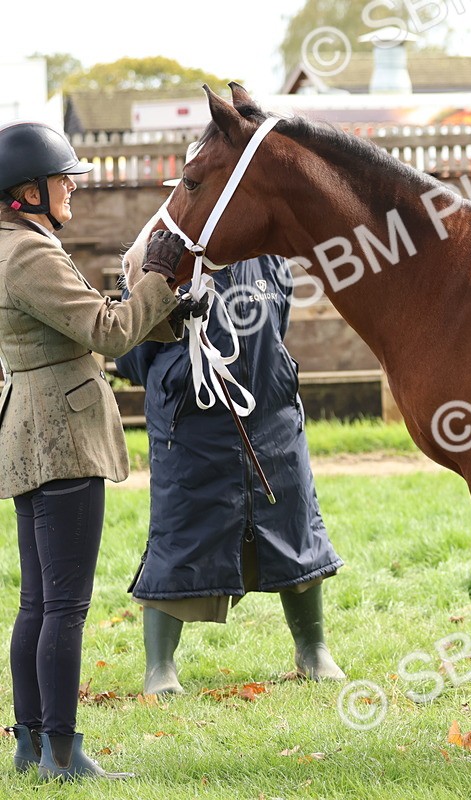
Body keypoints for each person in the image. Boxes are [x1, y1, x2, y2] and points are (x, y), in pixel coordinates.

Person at [0, 121, 197, 781]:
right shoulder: (30, 253)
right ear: (26, 190)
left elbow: (81, 319)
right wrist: (161, 278)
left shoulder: (17, 242)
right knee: (63, 606)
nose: (73, 189)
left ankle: (31, 746)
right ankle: (61, 752)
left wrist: (164, 311)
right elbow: (105, 331)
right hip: (61, 434)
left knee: (37, 603)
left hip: (34, 427)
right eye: (64, 180)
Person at [116, 249, 345, 697]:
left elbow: (276, 325)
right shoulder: (156, 252)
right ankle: (159, 666)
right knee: (179, 532)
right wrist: (180, 373)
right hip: (190, 421)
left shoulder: (268, 255)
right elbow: (131, 357)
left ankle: (312, 649)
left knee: (294, 524)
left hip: (271, 415)